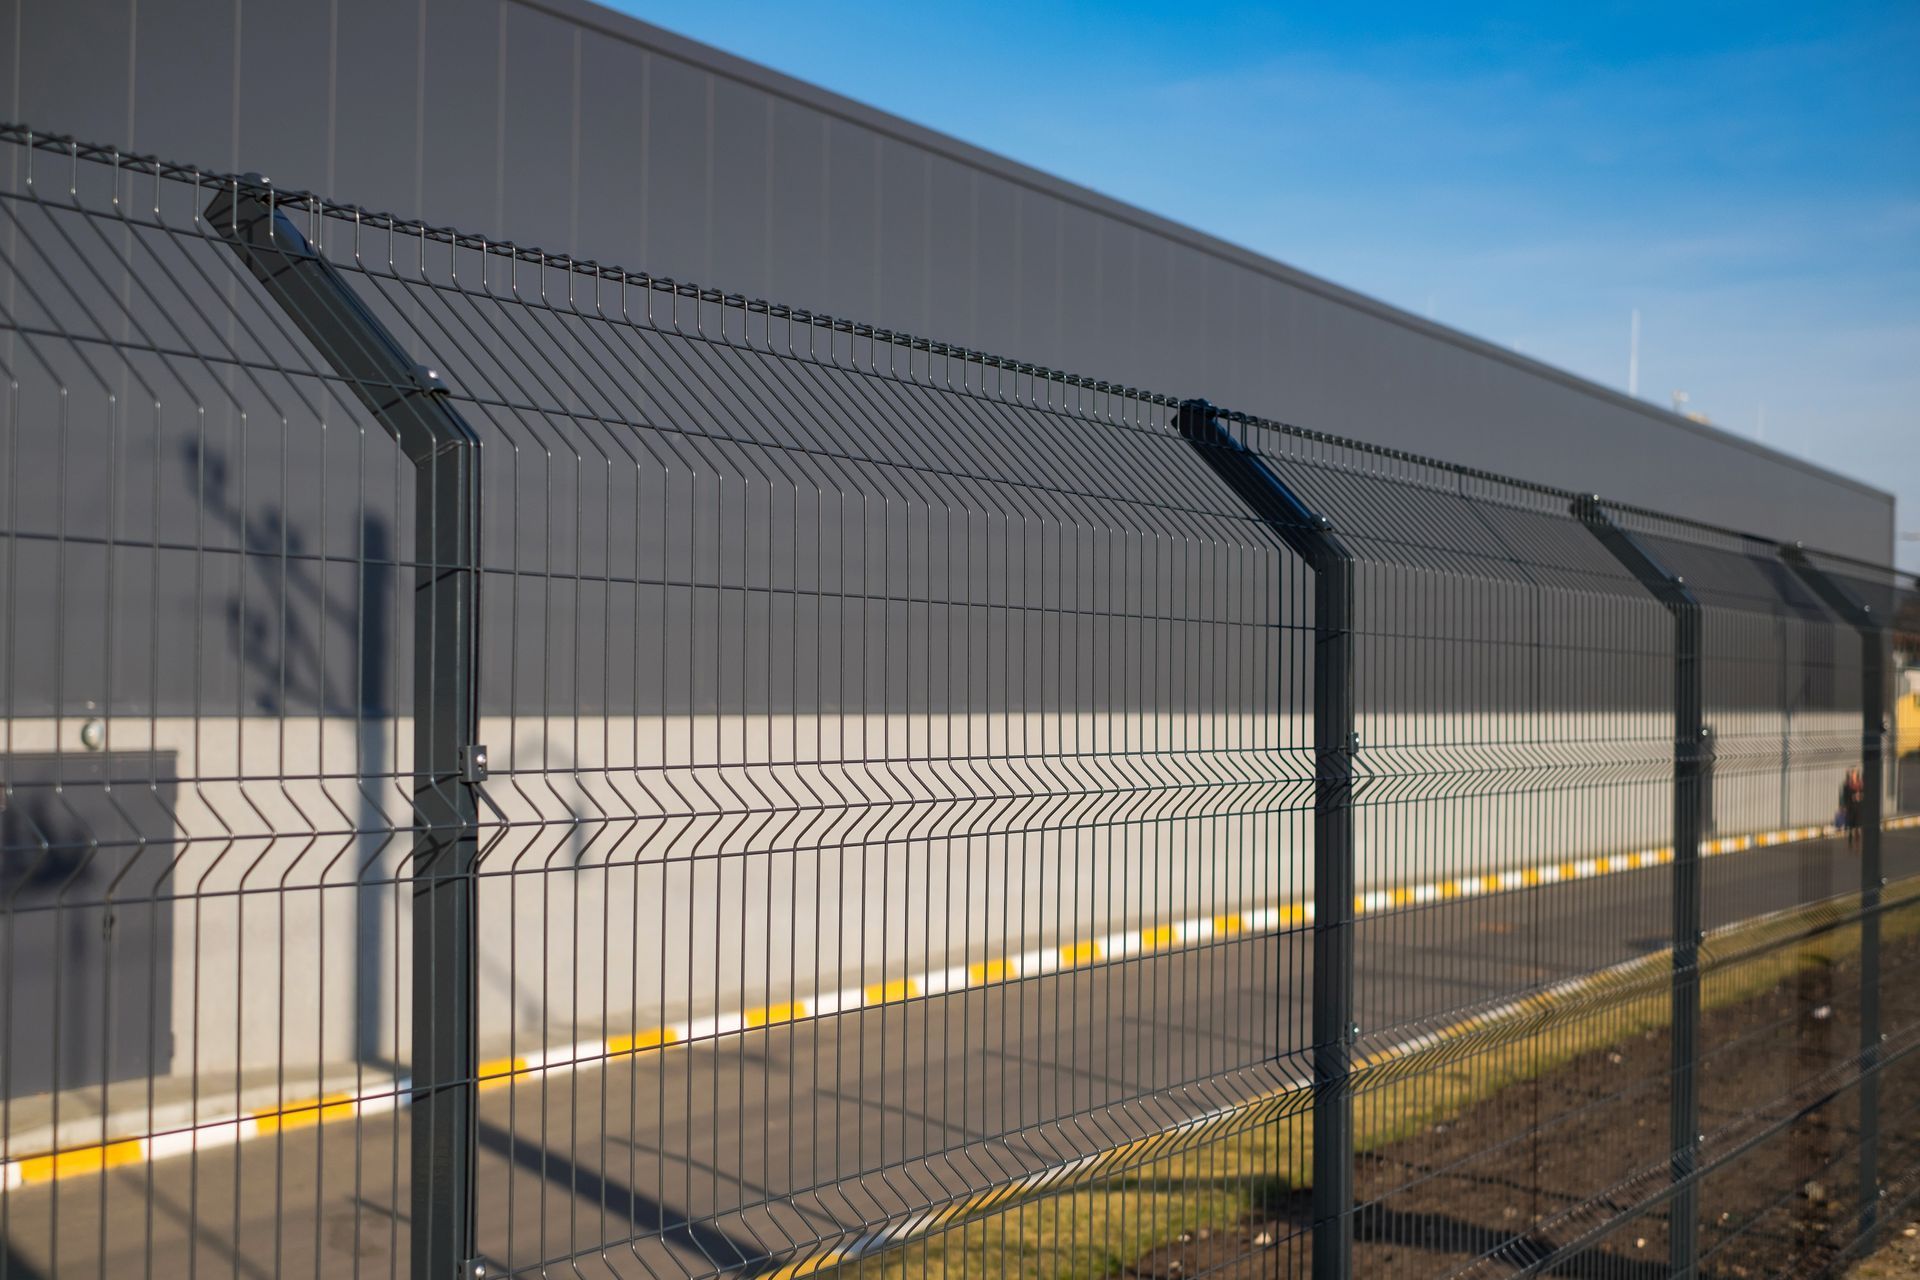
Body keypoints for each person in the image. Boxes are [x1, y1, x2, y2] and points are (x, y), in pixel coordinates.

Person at [1839, 767, 1864, 850]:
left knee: (1857, 826)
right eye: (1852, 774)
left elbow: (1864, 794)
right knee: (1850, 827)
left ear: (1857, 775)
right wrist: (1844, 805)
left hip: (1858, 807)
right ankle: (1850, 844)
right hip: (1850, 807)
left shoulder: (1860, 784)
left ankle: (1857, 844)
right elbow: (1845, 796)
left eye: (1855, 774)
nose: (1853, 775)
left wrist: (1860, 797)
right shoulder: (1847, 785)